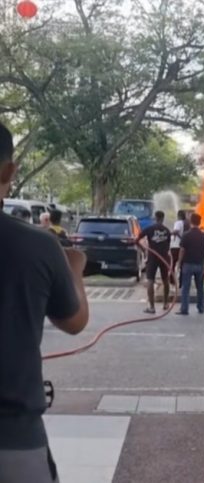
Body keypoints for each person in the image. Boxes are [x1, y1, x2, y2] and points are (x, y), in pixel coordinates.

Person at [0, 120, 90, 483]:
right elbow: (74, 321)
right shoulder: (37, 245)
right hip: (14, 443)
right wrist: (76, 272)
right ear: (9, 170)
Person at [135, 210, 172, 314]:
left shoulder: (150, 229)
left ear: (155, 218)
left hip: (153, 257)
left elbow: (136, 240)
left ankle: (151, 307)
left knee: (150, 280)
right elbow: (168, 245)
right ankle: (165, 304)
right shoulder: (167, 230)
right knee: (165, 280)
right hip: (164, 257)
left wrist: (144, 250)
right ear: (163, 218)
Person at [176, 213, 204, 316]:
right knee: (200, 288)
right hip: (199, 264)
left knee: (186, 287)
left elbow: (182, 250)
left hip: (188, 264)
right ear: (199, 222)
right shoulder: (203, 235)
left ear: (191, 221)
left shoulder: (186, 235)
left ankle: (184, 309)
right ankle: (201, 307)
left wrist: (179, 262)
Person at [170, 210, 190, 287]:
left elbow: (176, 231)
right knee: (183, 265)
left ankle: (172, 281)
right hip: (184, 247)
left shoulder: (178, 223)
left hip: (176, 246)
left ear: (179, 216)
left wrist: (170, 234)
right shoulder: (187, 224)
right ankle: (181, 282)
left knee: (172, 264)